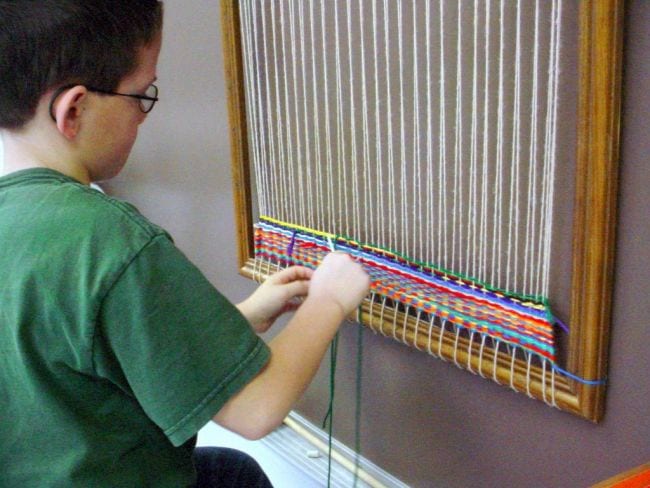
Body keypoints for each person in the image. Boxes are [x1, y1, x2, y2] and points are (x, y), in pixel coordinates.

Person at [0, 1, 370, 487]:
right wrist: (330, 299)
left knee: (230, 472)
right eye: (141, 95)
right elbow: (257, 408)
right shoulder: (109, 241)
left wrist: (242, 319)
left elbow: (77, 345)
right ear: (75, 109)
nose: (143, 114)